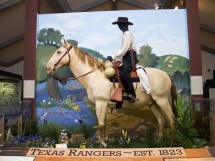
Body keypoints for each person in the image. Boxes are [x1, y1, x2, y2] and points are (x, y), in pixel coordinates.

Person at [112, 17, 137, 102]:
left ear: (125, 25)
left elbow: (124, 49)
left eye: (121, 24)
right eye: (119, 24)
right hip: (126, 56)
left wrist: (113, 57)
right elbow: (123, 50)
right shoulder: (125, 35)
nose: (120, 26)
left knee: (123, 73)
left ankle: (132, 94)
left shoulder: (127, 34)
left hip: (129, 57)